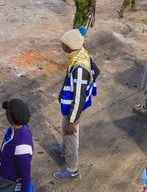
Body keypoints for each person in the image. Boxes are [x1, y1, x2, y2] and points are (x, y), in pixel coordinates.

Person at [52, 29, 99, 180]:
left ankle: (73, 170)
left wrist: (72, 120)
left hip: (74, 109)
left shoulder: (79, 69)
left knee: (70, 134)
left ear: (69, 46)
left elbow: (79, 98)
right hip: (73, 108)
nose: (61, 45)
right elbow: (96, 71)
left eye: (63, 43)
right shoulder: (80, 53)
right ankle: (64, 151)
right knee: (66, 131)